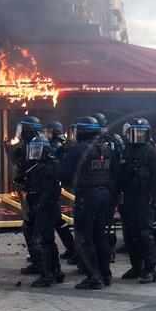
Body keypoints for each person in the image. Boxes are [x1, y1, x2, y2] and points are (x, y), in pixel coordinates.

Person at [57, 117, 114, 289]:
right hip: (104, 195)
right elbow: (115, 173)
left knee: (83, 238)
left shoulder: (78, 150)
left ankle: (93, 277)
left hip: (86, 197)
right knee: (99, 236)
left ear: (81, 132)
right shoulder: (106, 149)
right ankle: (105, 274)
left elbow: (62, 173)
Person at [118, 118, 156, 283]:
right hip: (129, 196)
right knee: (131, 235)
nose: (137, 136)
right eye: (134, 132)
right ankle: (137, 267)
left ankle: (151, 269)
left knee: (145, 233)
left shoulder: (151, 152)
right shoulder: (127, 150)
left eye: (140, 132)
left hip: (145, 197)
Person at [22, 134, 64, 287]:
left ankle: (47, 275)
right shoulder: (36, 166)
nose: (34, 153)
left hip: (47, 207)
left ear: (45, 150)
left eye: (37, 150)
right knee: (48, 239)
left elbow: (49, 189)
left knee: (39, 239)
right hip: (42, 207)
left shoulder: (51, 166)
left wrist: (40, 205)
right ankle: (56, 272)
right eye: (32, 150)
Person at [9, 116, 43, 275]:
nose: (20, 133)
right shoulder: (36, 143)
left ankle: (41, 264)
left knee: (32, 229)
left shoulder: (35, 145)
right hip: (36, 192)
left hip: (38, 194)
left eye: (23, 129)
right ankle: (41, 263)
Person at [91, 112, 124, 261]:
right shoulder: (114, 139)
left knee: (102, 222)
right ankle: (108, 251)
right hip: (110, 186)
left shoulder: (92, 141)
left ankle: (104, 252)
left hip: (100, 186)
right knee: (107, 222)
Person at [45, 120, 76, 261]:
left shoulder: (56, 146)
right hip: (56, 185)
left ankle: (71, 249)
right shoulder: (59, 145)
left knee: (51, 219)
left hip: (52, 186)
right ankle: (71, 248)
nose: (46, 134)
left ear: (55, 132)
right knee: (58, 220)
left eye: (48, 131)